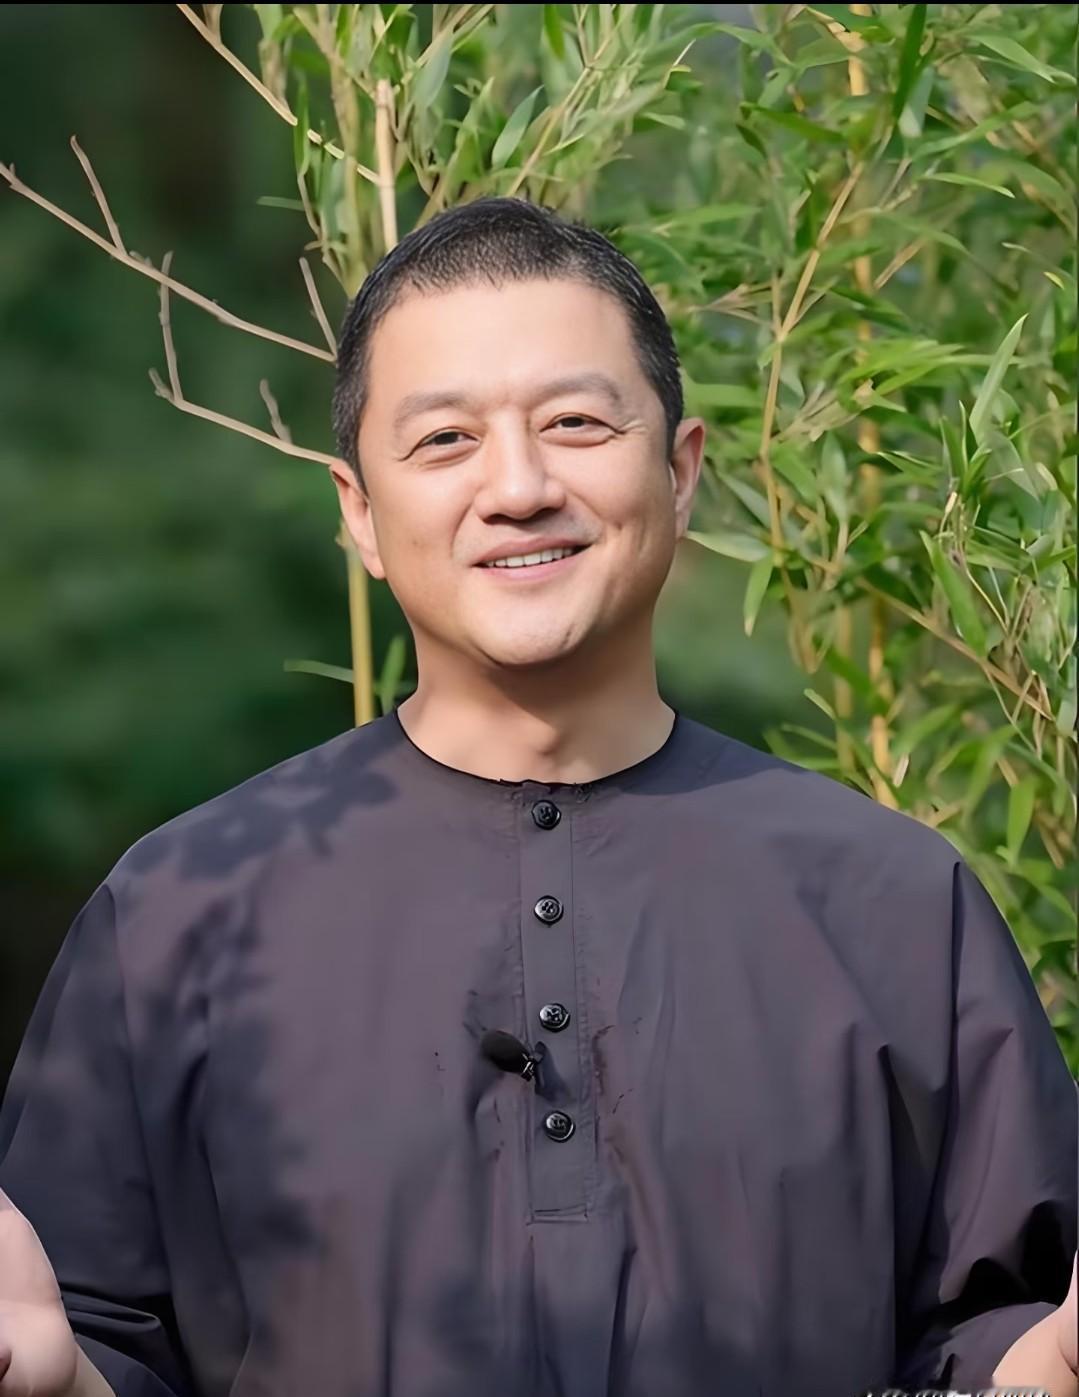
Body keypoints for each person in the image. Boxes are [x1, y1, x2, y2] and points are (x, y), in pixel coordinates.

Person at [0, 197, 1075, 1397]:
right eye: (443, 439)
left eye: (573, 422)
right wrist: (57, 1376)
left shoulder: (892, 902)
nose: (516, 487)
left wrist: (1051, 1356)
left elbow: (991, 1331)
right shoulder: (180, 911)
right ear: (359, 512)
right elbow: (91, 1332)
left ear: (679, 470)